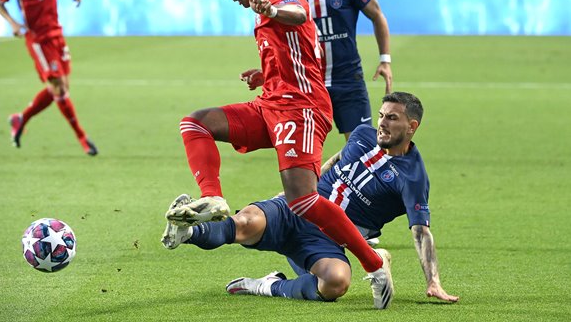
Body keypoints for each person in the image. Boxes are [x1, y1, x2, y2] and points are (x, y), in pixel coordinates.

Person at [164, 0, 393, 307]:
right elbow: (295, 48)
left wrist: (271, 8)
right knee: (195, 124)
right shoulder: (264, 1)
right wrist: (266, 74)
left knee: (302, 201)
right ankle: (212, 196)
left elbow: (298, 14)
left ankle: (373, 262)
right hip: (272, 103)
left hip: (301, 110)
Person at [163, 92, 459, 305]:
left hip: (328, 242)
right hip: (300, 208)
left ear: (412, 126)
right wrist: (302, 188)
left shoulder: (413, 177)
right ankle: (186, 231)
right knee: (245, 223)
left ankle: (268, 286)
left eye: (392, 118)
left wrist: (433, 282)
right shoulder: (363, 134)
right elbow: (336, 160)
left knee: (337, 282)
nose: (382, 123)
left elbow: (421, 232)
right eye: (381, 115)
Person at [0, 0, 97, 156]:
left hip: (56, 33)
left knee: (61, 89)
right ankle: (82, 137)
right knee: (58, 86)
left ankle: (20, 119)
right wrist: (13, 24)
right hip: (38, 39)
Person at [291, 0, 393, 140]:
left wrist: (385, 60)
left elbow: (378, 16)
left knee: (362, 148)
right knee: (304, 150)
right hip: (308, 83)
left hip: (348, 81)